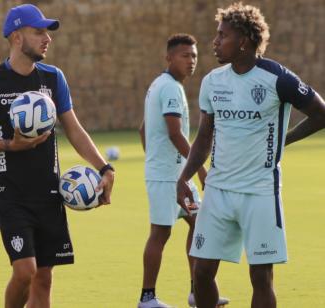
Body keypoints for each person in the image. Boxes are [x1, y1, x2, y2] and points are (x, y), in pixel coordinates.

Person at [0, 4, 115, 308]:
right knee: (25, 272)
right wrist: (10, 145)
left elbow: (73, 129)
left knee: (44, 278)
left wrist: (104, 167)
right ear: (17, 37)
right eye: (39, 32)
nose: (48, 38)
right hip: (11, 194)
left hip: (50, 193)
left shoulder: (53, 77)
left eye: (48, 32)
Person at [176, 3, 325, 308]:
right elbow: (205, 135)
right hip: (218, 190)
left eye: (222, 36)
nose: (215, 42)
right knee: (202, 272)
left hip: (260, 191)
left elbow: (321, 113)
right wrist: (184, 176)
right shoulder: (213, 81)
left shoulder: (278, 78)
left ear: (243, 41)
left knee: (260, 277)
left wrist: (285, 140)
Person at [138, 34, 229, 308]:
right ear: (169, 58)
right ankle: (147, 298)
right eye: (185, 56)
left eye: (194, 56)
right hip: (169, 177)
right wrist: (199, 169)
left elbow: (143, 129)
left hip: (175, 175)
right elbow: (176, 134)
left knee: (197, 223)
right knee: (160, 233)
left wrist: (156, 160)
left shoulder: (160, 85)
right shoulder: (170, 88)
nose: (191, 61)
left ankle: (197, 292)